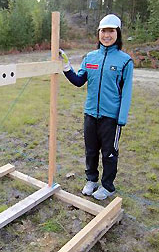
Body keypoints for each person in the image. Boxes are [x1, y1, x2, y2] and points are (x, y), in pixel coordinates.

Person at [59, 14, 133, 200]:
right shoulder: (90, 57)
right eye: (103, 31)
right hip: (90, 114)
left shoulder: (125, 61)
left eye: (111, 31)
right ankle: (91, 180)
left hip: (111, 118)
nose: (106, 35)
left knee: (109, 154)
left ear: (118, 33)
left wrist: (121, 119)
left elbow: (127, 92)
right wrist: (66, 67)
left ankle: (108, 186)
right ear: (98, 33)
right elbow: (78, 81)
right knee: (90, 150)